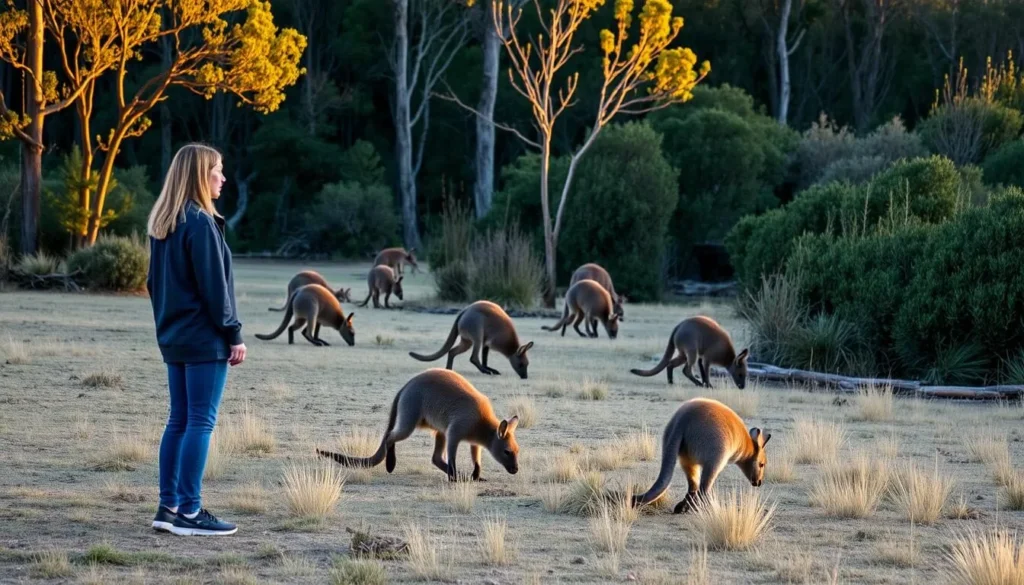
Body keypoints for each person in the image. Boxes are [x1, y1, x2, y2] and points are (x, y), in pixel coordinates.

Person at [145, 143, 246, 536]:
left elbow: (153, 285)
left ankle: (167, 507)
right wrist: (234, 333)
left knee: (180, 419)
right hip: (204, 340)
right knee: (200, 422)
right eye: (218, 170)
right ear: (200, 175)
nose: (223, 177)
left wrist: (168, 328)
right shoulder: (200, 223)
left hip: (175, 338)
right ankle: (189, 511)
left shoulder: (163, 222)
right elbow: (214, 290)